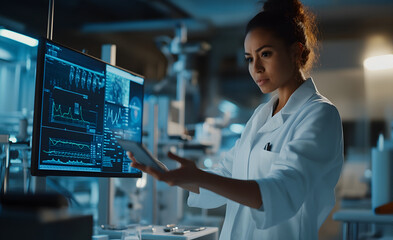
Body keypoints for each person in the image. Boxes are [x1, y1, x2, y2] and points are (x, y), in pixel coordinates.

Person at [128, 0, 344, 239]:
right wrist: (169, 173)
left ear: (296, 52)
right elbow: (224, 178)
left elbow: (280, 192)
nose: (256, 68)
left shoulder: (319, 114)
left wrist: (199, 176)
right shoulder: (260, 117)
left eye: (265, 54)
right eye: (250, 58)